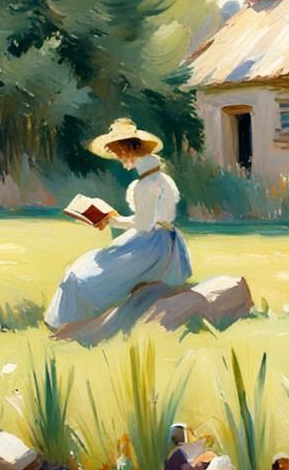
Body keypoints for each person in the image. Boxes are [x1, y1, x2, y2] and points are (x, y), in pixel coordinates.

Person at [45, 119, 192, 330]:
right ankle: (70, 321)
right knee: (88, 264)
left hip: (150, 248)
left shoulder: (146, 184)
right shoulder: (159, 178)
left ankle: (65, 324)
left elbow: (144, 224)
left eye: (117, 152)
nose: (118, 158)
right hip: (164, 242)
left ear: (127, 150)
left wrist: (110, 219)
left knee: (80, 273)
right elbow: (151, 219)